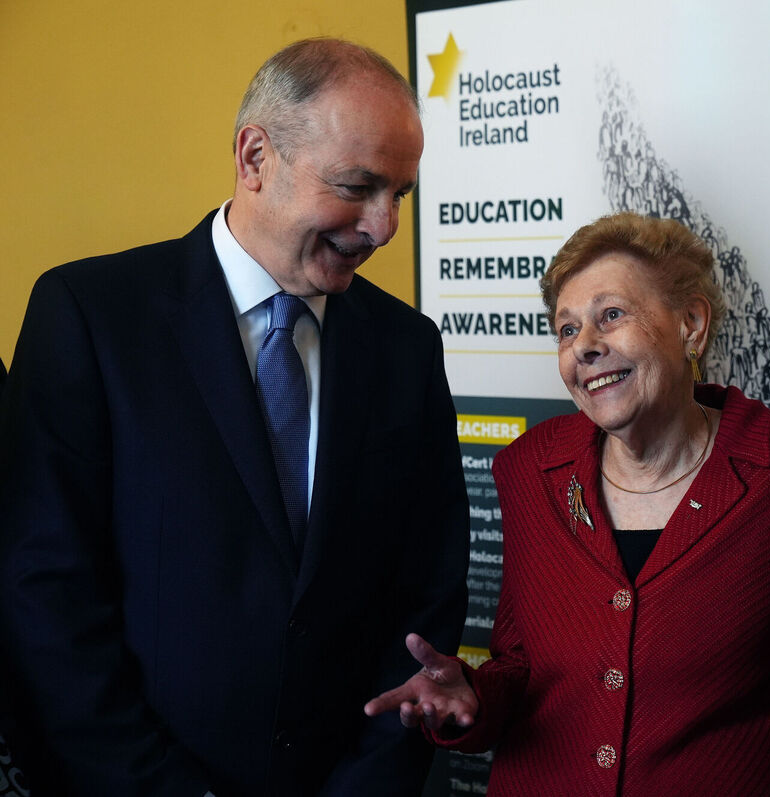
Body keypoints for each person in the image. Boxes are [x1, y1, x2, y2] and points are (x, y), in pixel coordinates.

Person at [0, 38, 469, 797]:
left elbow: (428, 594)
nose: (383, 227)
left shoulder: (406, 348)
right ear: (255, 158)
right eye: (358, 186)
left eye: (401, 195)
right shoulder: (91, 316)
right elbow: (45, 595)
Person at [364, 212, 770, 795]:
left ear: (691, 324)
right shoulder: (529, 471)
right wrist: (470, 696)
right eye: (567, 330)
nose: (585, 348)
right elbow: (521, 666)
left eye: (611, 316)